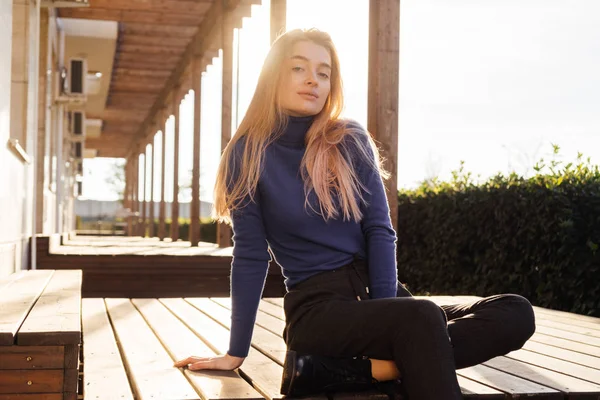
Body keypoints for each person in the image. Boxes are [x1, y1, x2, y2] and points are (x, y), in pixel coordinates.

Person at [174, 28, 536, 399]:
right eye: (299, 68)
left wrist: (386, 314)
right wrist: (236, 352)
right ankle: (394, 357)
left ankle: (341, 372)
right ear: (274, 76)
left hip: (377, 296)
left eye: (324, 72)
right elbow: (249, 256)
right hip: (318, 308)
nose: (313, 79)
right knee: (422, 320)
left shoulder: (348, 140)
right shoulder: (247, 154)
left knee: (514, 312)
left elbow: (380, 231)